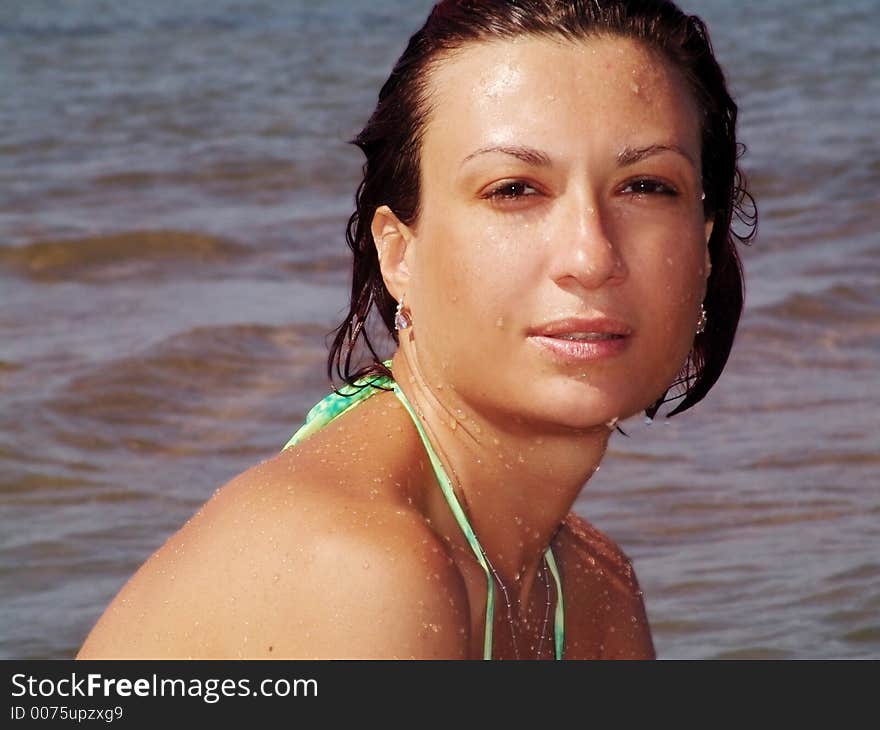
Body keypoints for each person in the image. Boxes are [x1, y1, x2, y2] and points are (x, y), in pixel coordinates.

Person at [77, 0, 754, 660]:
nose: (591, 257)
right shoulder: (358, 569)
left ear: (702, 248)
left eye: (645, 187)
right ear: (398, 254)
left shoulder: (591, 587)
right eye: (514, 189)